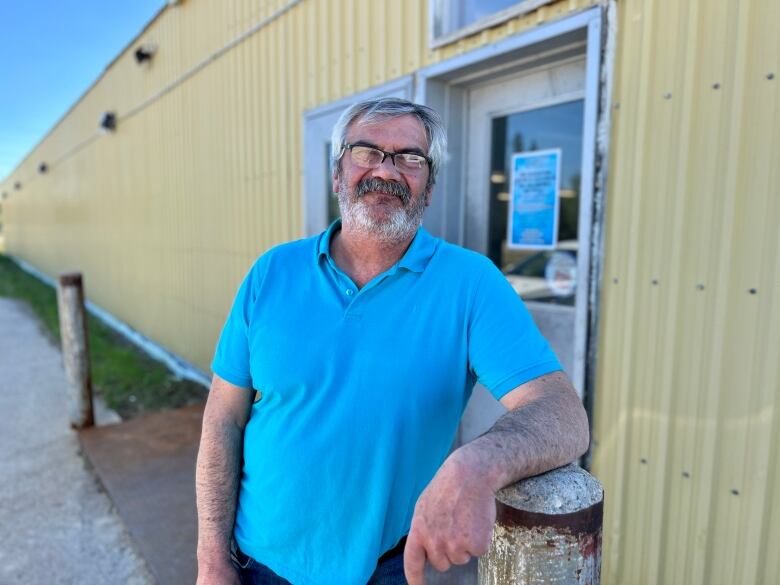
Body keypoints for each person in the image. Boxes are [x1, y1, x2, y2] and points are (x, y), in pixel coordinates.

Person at [195, 97, 589, 585]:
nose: (386, 170)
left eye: (410, 158)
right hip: (256, 562)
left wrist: (479, 463)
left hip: (385, 571)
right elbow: (223, 417)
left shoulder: (469, 283)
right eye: (366, 152)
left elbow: (563, 415)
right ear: (338, 172)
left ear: (429, 186)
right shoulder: (271, 272)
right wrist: (212, 555)